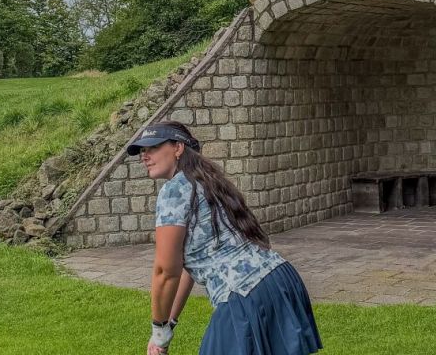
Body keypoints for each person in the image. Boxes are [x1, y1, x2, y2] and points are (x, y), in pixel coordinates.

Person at [126, 121, 322, 355]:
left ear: (178, 148)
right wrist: (168, 326)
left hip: (244, 295)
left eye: (153, 148)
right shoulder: (207, 182)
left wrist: (158, 330)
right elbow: (186, 266)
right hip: (280, 279)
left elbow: (165, 272)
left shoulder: (174, 190)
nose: (144, 156)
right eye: (142, 151)